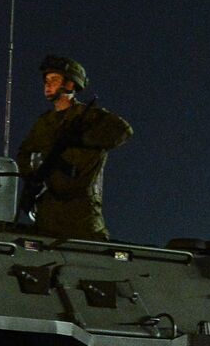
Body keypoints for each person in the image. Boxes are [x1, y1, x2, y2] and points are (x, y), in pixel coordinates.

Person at [16, 55, 132, 241]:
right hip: (50, 211)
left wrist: (82, 139)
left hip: (82, 211)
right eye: (46, 81)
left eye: (54, 80)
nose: (48, 85)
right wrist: (31, 178)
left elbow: (124, 131)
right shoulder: (44, 123)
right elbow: (24, 153)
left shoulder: (90, 117)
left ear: (70, 85)